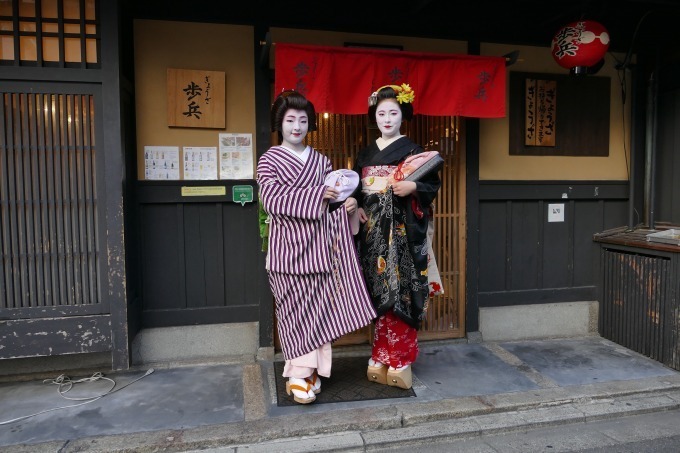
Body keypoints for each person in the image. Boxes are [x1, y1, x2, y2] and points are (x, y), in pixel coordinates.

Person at [257, 90, 376, 404]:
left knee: (316, 313)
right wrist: (316, 196)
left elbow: (334, 199)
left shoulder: (321, 161)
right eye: (290, 120)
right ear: (279, 123)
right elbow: (270, 198)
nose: (296, 126)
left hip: (319, 249)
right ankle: (297, 374)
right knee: (293, 312)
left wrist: (347, 205)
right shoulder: (269, 159)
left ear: (310, 124)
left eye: (303, 120)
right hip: (286, 252)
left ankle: (310, 373)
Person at [351, 84, 441, 390]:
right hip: (373, 232)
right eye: (381, 113)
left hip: (401, 232)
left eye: (393, 112)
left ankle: (400, 358)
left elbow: (432, 185)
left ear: (403, 115)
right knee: (376, 290)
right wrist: (356, 207)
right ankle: (378, 354)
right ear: (373, 116)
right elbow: (355, 189)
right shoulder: (365, 153)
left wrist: (413, 188)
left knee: (401, 287)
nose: (387, 119)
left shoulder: (414, 151)